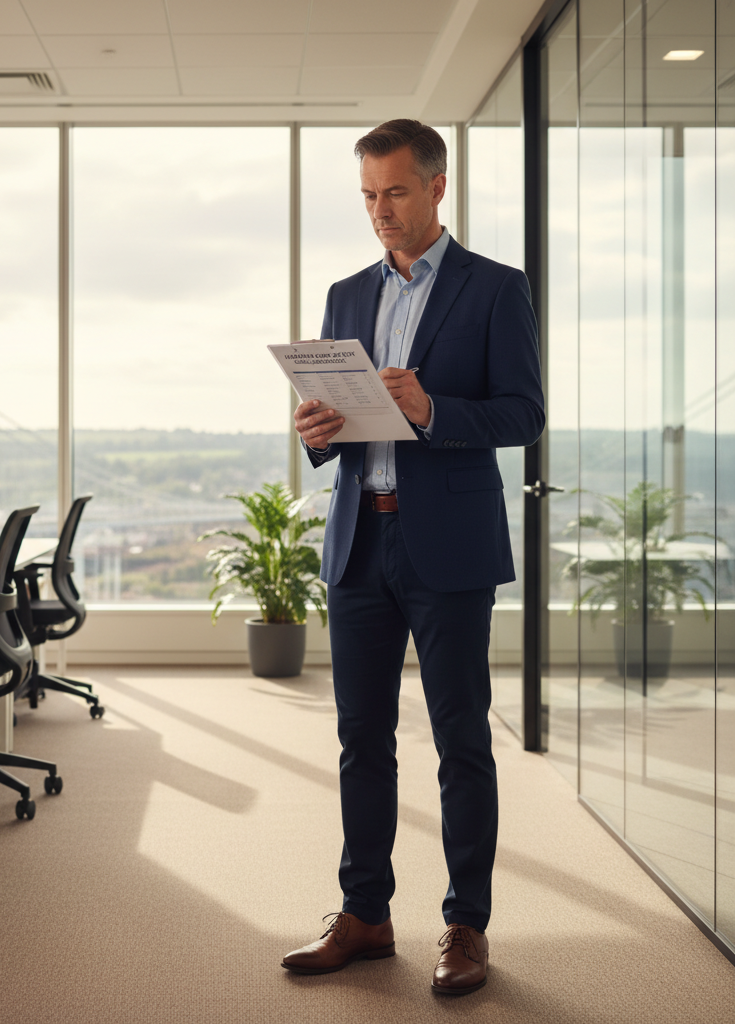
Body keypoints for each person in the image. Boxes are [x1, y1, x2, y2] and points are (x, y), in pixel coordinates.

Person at [281, 120, 545, 996]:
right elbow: (335, 424)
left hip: (451, 546)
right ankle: (365, 913)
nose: (379, 212)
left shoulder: (496, 290)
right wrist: (315, 432)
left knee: (462, 740)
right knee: (363, 738)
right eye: (367, 195)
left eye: (394, 192)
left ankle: (465, 925)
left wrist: (433, 409)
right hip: (361, 537)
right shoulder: (346, 293)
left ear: (437, 187)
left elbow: (522, 416)